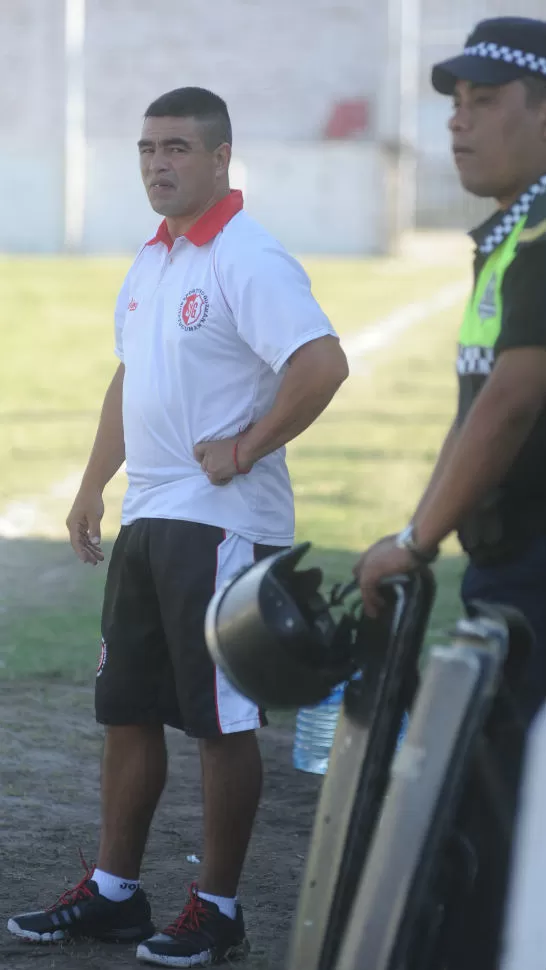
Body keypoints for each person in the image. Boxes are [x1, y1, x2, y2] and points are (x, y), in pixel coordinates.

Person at [7, 87, 348, 967]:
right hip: (152, 518)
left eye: (178, 148)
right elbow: (133, 378)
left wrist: (245, 446)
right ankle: (116, 895)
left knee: (220, 722)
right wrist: (92, 485)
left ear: (222, 157)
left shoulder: (250, 256)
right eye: (148, 148)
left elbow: (321, 363)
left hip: (224, 525)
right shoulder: (153, 258)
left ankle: (219, 908)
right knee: (127, 710)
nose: (159, 163)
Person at [354, 16, 546, 969]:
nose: (459, 125)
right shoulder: (509, 233)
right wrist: (416, 531)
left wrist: (418, 541)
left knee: (507, 814)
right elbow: (473, 412)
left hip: (539, 572)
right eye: (454, 106)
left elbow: (512, 403)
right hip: (507, 567)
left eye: (486, 102)